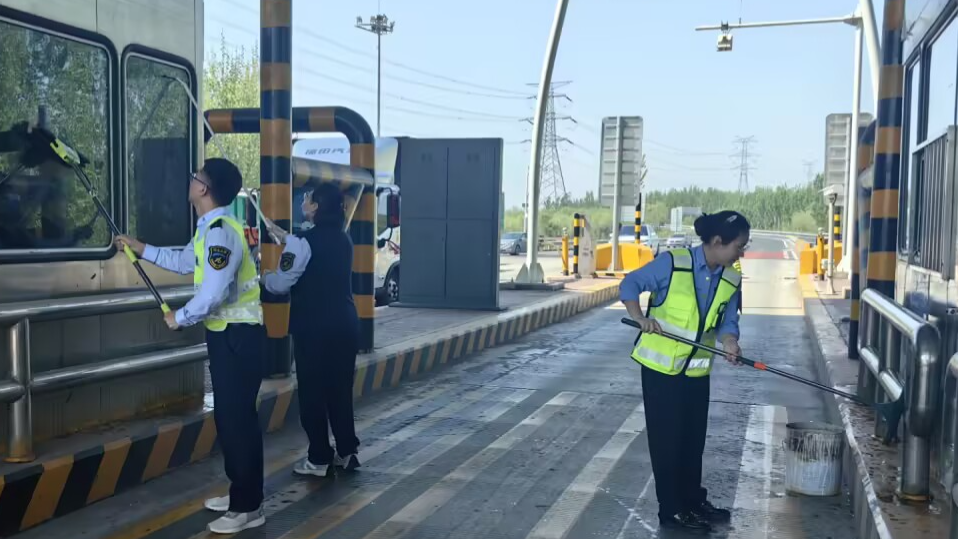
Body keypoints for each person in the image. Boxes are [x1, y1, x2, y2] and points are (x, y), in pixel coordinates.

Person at [115, 158, 266, 534]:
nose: (190, 181)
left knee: (236, 421)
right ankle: (242, 493)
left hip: (237, 336)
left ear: (203, 188)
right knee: (232, 419)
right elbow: (183, 261)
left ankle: (247, 507)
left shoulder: (220, 233)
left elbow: (212, 294)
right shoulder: (209, 230)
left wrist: (179, 317)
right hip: (228, 334)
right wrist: (140, 247)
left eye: (194, 177)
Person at [620, 210, 748, 533]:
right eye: (738, 246)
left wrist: (730, 342)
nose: (741, 253)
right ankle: (672, 509)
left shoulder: (731, 278)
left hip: (695, 373)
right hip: (661, 371)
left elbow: (727, 321)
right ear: (717, 241)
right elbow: (630, 284)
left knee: (692, 442)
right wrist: (640, 318)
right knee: (668, 443)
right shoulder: (673, 264)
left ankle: (693, 501)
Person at [262, 181, 361, 477]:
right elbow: (307, 249)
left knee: (313, 393)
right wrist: (285, 237)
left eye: (307, 198)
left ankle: (318, 458)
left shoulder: (302, 243)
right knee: (339, 390)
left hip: (313, 329)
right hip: (345, 324)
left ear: (316, 206)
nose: (303, 201)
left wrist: (264, 276)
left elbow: (280, 284)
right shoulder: (343, 239)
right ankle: (347, 451)